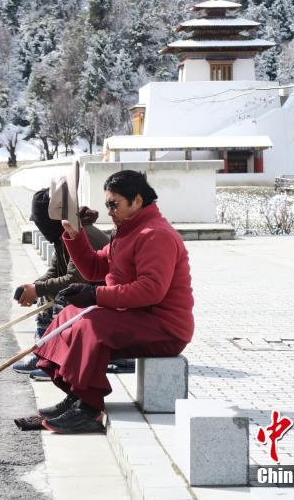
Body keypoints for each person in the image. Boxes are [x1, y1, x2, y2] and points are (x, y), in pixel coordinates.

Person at [27, 170, 194, 434]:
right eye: (107, 204)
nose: (109, 210)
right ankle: (77, 394)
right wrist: (74, 234)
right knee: (69, 315)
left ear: (137, 200)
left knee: (91, 325)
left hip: (163, 327)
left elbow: (151, 291)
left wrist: (96, 295)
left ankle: (89, 409)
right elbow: (95, 268)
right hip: (135, 317)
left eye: (113, 204)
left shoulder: (155, 234)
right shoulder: (128, 231)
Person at [13, 187, 109, 381]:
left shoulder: (82, 234)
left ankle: (59, 360)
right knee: (46, 295)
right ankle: (44, 354)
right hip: (88, 289)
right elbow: (56, 271)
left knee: (62, 297)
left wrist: (38, 289)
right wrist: (32, 289)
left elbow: (75, 279)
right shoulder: (63, 235)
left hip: (102, 295)